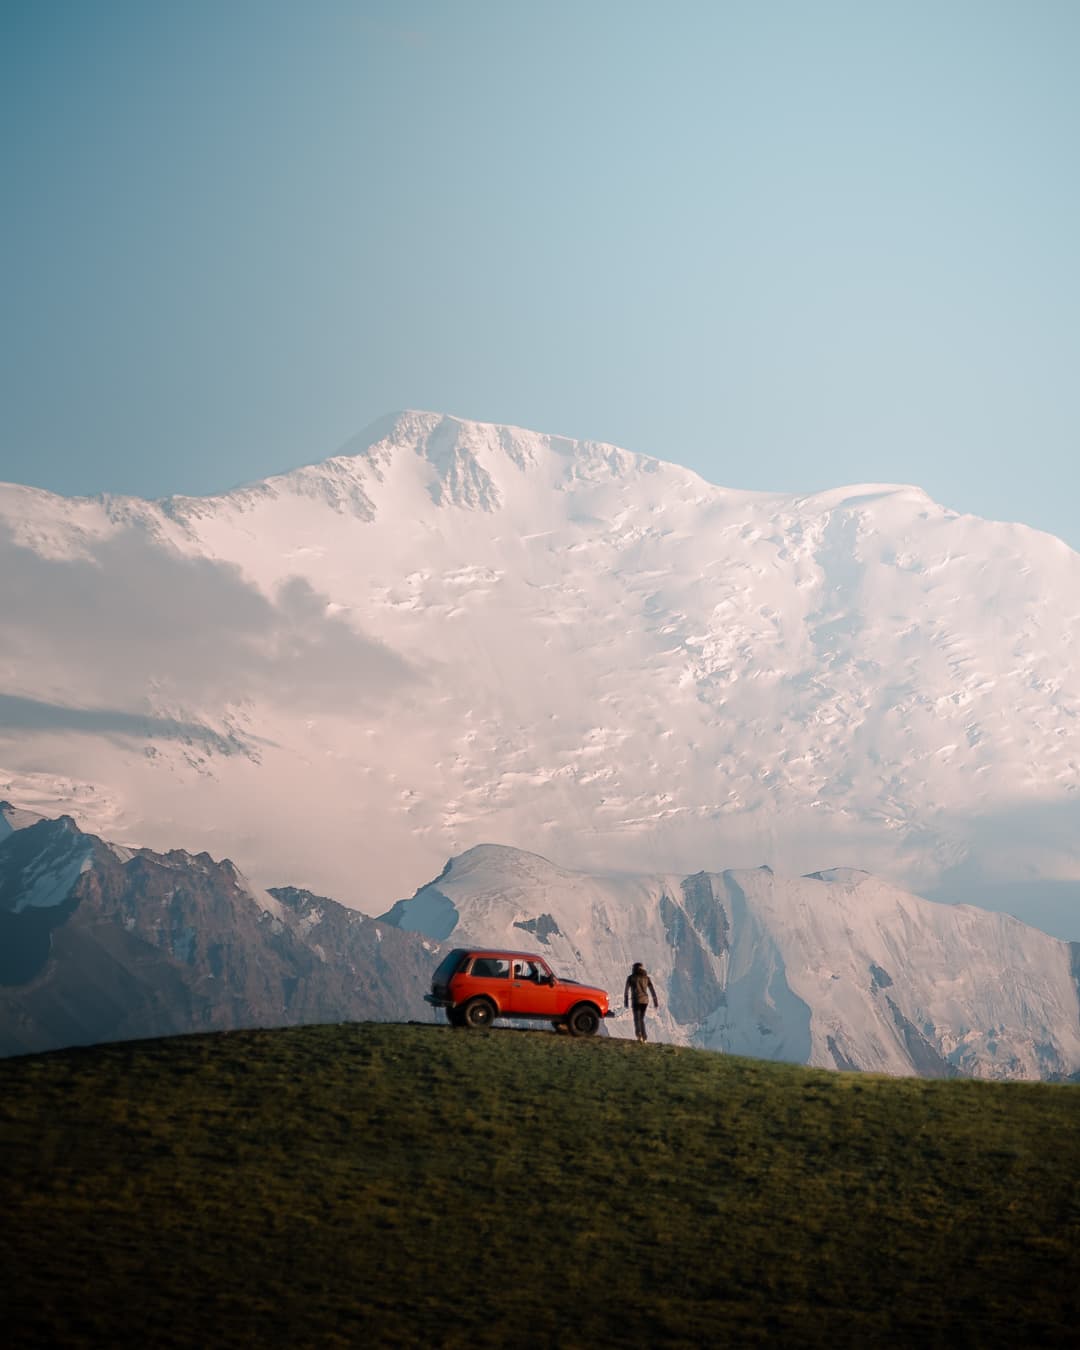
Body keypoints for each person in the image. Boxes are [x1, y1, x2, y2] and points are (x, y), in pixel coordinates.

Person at [624, 962, 659, 1042]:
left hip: (636, 1000)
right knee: (641, 1019)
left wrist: (626, 1001)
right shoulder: (646, 978)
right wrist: (655, 1001)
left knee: (637, 1018)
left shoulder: (631, 978)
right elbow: (652, 990)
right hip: (645, 1001)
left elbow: (626, 990)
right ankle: (644, 1037)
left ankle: (639, 1035)